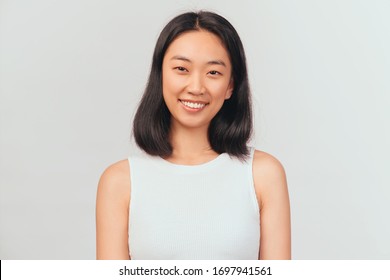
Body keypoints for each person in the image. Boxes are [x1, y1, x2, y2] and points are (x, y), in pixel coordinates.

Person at [96, 11, 291, 260]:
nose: (196, 87)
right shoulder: (120, 181)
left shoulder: (263, 174)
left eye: (213, 73)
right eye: (181, 69)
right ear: (160, 75)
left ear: (231, 85)